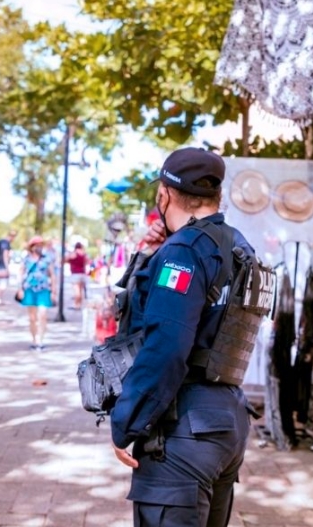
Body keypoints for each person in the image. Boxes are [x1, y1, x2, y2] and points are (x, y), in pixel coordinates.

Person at [110, 148, 260, 527]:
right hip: (226, 420)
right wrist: (148, 255)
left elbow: (166, 346)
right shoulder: (238, 245)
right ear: (216, 197)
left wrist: (126, 421)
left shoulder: (183, 251)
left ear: (165, 194)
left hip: (183, 430)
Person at [17, 235, 56, 351]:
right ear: (32, 246)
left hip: (43, 290)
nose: (39, 247)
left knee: (43, 315)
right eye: (36, 245)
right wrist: (19, 289)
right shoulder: (26, 259)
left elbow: (53, 275)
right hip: (29, 289)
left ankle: (41, 340)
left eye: (40, 245)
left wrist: (53, 291)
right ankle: (34, 339)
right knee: (32, 317)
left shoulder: (47, 259)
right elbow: (20, 273)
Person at [0, 229, 16, 305]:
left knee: (0, 283)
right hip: (2, 266)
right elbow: (5, 255)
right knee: (3, 284)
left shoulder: (0, 242)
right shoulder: (6, 243)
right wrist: (7, 268)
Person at [65, 242, 89, 309]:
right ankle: (79, 304)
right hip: (83, 274)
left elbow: (66, 260)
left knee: (77, 290)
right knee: (80, 290)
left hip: (75, 274)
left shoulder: (74, 253)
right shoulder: (84, 253)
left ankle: (76, 304)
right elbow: (87, 262)